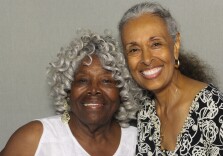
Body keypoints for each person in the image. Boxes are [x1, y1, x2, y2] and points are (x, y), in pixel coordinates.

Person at [118, 2, 223, 155]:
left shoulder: (211, 108)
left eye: (155, 44)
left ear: (175, 46)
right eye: (134, 49)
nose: (146, 59)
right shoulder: (144, 112)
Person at [0, 29, 141, 156]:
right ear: (67, 90)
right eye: (83, 80)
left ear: (122, 91)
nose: (94, 90)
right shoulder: (35, 139)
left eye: (106, 81)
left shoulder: (140, 143)